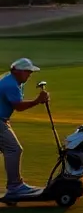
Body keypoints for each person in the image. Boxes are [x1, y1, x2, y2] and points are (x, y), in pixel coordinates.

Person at [0, 58, 49, 198]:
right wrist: (37, 101)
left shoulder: (13, 81)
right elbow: (18, 106)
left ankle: (14, 186)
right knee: (14, 149)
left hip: (2, 120)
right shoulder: (10, 84)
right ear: (17, 71)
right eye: (27, 72)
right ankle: (15, 186)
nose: (29, 75)